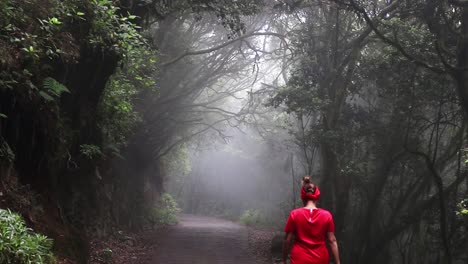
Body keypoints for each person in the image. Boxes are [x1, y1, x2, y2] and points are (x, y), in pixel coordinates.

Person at [282, 176, 340, 264]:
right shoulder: (327, 215)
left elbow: (287, 240)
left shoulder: (294, 214)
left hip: (299, 259)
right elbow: (332, 241)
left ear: (303, 196)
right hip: (320, 259)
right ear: (317, 196)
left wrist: (283, 260)